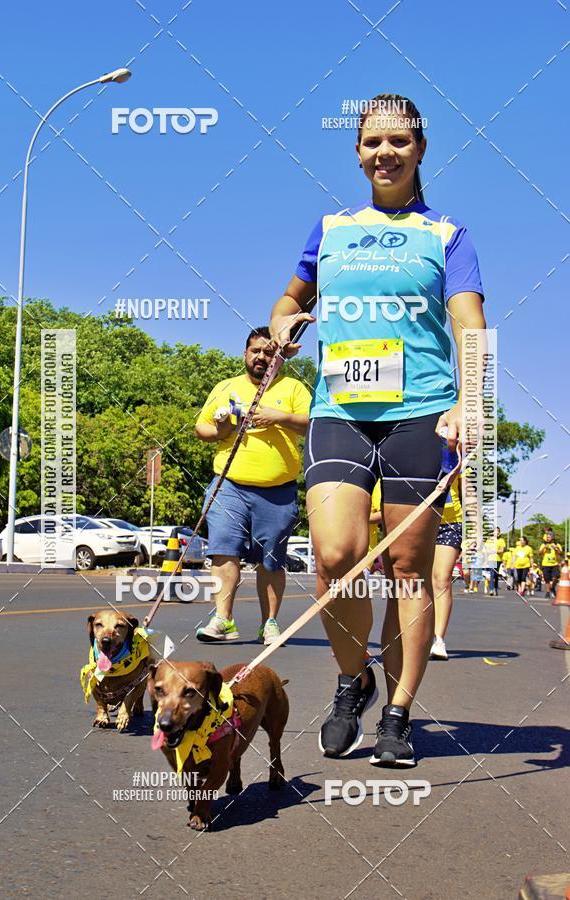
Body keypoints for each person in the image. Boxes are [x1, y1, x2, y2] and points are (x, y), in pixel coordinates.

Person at [269, 93, 486, 766]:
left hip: (421, 410)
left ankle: (397, 714)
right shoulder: (331, 228)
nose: (385, 152)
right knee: (335, 557)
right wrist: (283, 323)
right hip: (340, 410)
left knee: (407, 570)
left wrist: (470, 402)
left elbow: (469, 325)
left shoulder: (446, 234)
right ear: (357, 151)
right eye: (372, 142)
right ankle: (352, 680)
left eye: (399, 141)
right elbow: (290, 297)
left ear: (420, 149)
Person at [194, 327, 311, 644]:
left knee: (271, 559)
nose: (261, 357)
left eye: (268, 352)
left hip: (278, 490)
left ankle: (269, 623)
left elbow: (313, 423)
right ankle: (222, 619)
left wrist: (278, 416)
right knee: (222, 550)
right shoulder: (226, 387)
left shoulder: (293, 388)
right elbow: (201, 428)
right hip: (228, 484)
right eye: (255, 351)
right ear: (245, 354)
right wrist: (221, 429)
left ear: (278, 356)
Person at [430, 473, 463, 660]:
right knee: (419, 581)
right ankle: (419, 634)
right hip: (418, 519)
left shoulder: (460, 458)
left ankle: (438, 640)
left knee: (442, 579)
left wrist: (475, 534)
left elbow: (471, 495)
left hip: (450, 523)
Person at [538, 531, 563, 599]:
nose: (547, 538)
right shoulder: (543, 544)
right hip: (545, 564)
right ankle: (548, 592)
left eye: (549, 537)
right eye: (547, 537)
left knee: (555, 577)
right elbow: (539, 553)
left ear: (552, 537)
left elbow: (561, 553)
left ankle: (552, 587)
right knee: (547, 579)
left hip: (555, 564)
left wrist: (556, 548)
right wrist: (544, 547)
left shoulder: (557, 544)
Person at [487, 527, 506, 596]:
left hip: (498, 559)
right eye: (495, 531)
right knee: (492, 574)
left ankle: (495, 588)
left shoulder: (501, 540)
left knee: (496, 575)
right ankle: (491, 589)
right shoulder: (489, 540)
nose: (496, 532)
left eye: (498, 531)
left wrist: (493, 550)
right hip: (491, 559)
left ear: (499, 532)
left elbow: (501, 550)